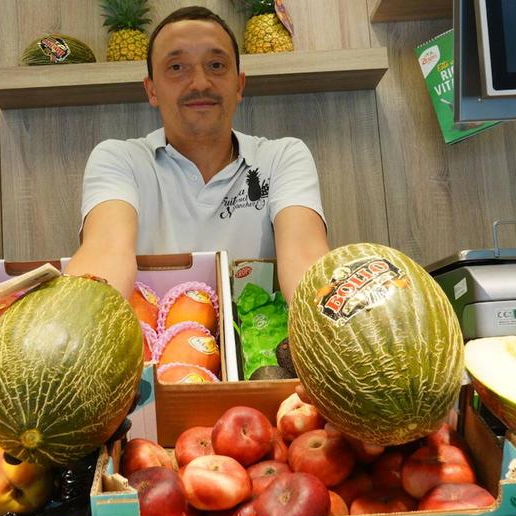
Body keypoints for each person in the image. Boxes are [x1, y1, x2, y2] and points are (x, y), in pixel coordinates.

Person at [66, 6, 329, 303]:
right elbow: (104, 250)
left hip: (256, 342)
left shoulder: (282, 157)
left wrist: (323, 328)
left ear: (239, 85)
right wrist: (79, 327)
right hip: (151, 342)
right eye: (177, 67)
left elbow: (306, 256)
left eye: (216, 65)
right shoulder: (119, 159)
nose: (201, 83)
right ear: (151, 90)